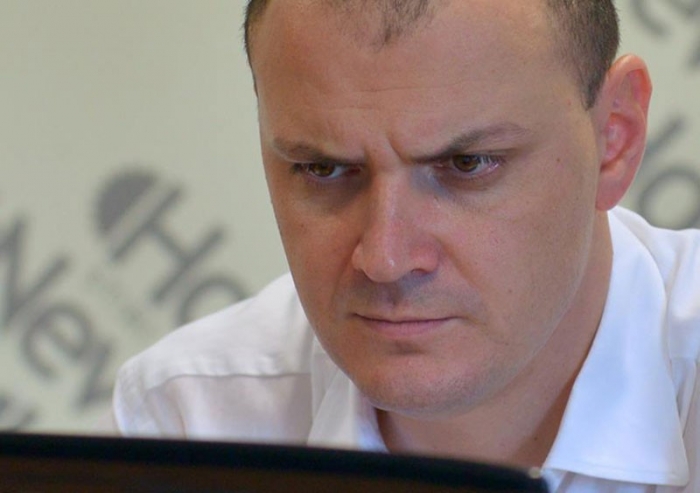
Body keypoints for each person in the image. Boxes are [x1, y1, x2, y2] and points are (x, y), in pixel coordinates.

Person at [111, 0, 700, 491]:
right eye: (322, 169)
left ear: (615, 138)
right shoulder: (189, 422)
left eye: (467, 164)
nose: (385, 259)